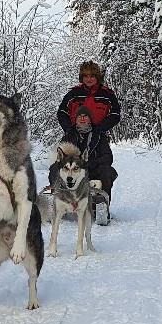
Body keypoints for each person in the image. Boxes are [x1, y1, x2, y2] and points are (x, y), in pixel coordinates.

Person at [57, 61, 121, 222]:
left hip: (98, 134)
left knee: (106, 170)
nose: (89, 79)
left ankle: (101, 206)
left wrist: (100, 128)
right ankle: (59, 202)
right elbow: (62, 112)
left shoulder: (107, 94)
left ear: (97, 76)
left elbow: (115, 115)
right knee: (59, 165)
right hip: (74, 134)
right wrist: (69, 129)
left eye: (92, 76)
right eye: (85, 76)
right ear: (82, 77)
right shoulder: (73, 94)